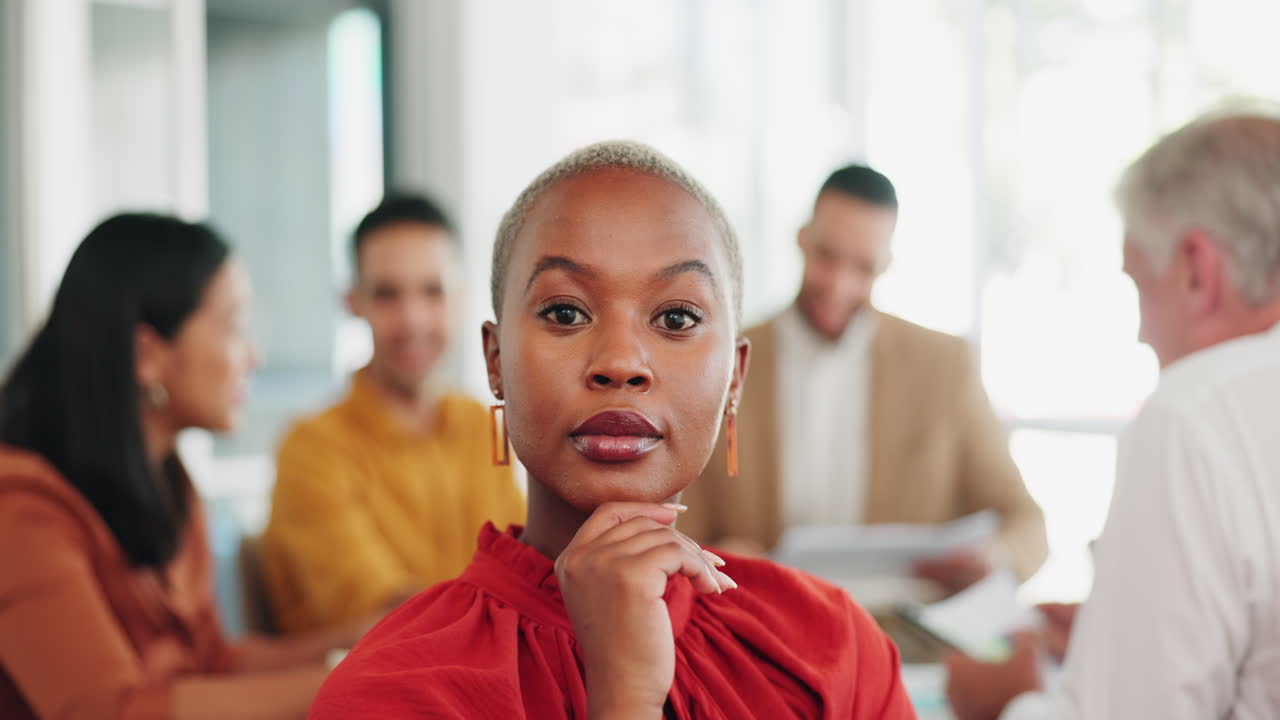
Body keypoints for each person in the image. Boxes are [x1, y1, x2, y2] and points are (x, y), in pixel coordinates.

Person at [308, 142, 917, 718]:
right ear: (496, 362)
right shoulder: (386, 692)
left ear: (735, 376)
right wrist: (625, 698)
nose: (621, 361)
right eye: (565, 312)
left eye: (676, 317)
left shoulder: (834, 644)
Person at [945, 108, 1280, 719]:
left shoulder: (1194, 415)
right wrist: (1121, 639)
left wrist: (1010, 701)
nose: (1141, 333)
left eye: (1138, 285)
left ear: (1197, 272)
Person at [0, 214, 370, 719]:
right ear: (148, 354)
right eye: (234, 324)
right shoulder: (18, 507)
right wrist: (352, 681)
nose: (254, 355)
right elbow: (106, 712)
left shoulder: (170, 482)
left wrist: (371, 641)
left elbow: (209, 663)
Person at [679, 164, 1047, 590]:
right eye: (826, 256)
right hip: (758, 624)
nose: (838, 284)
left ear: (886, 264)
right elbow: (680, 525)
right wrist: (715, 555)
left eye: (863, 267)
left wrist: (993, 558)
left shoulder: (945, 367)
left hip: (898, 637)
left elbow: (1026, 522)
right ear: (802, 239)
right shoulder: (719, 358)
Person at [261, 194, 526, 634]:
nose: (412, 319)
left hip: (485, 666)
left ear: (460, 299)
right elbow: (382, 612)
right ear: (352, 302)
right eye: (387, 295)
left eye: (432, 291)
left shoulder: (487, 424)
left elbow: (519, 561)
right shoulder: (310, 448)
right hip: (375, 687)